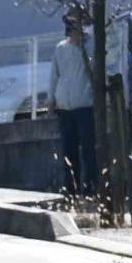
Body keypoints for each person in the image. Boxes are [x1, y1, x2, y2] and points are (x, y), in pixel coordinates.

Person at [50, 18, 96, 195]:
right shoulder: (61, 48)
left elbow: (94, 71)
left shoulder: (90, 47)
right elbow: (54, 75)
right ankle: (71, 189)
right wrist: (51, 99)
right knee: (68, 150)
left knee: (88, 148)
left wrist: (82, 48)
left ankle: (90, 188)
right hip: (64, 106)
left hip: (84, 104)